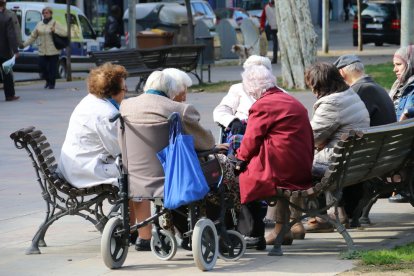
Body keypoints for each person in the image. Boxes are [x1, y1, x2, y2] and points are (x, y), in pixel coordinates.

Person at [120, 68, 237, 251]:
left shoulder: (126, 106)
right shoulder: (179, 109)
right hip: (176, 178)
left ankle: (157, 231)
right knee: (220, 165)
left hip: (136, 177)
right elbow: (205, 142)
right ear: (171, 91)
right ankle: (221, 226)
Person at [234, 64, 314, 248]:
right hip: (301, 166)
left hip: (284, 171)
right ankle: (281, 230)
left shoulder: (263, 105)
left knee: (238, 178)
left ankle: (251, 234)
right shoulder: (289, 99)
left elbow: (250, 141)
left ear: (252, 88)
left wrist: (239, 160)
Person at [304, 62, 370, 232]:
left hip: (337, 163)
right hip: (355, 160)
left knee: (288, 165)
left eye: (313, 85)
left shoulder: (331, 103)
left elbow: (309, 138)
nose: (312, 90)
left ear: (321, 84)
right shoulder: (349, 94)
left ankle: (300, 221)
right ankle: (334, 215)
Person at [333, 54, 396, 224]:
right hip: (388, 155)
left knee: (330, 160)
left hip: (371, 159)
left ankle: (331, 213)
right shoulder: (376, 87)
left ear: (342, 73)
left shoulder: (359, 91)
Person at [387, 45, 414, 203]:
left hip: (401, 141)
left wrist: (404, 115)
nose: (394, 70)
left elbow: (409, 110)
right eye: (394, 65)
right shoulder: (400, 84)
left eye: (399, 65)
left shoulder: (411, 85)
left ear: (410, 64)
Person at [22, 7, 67, 89]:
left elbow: (65, 33)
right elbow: (32, 37)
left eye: (47, 13)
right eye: (44, 13)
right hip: (42, 51)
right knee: (42, 67)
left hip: (53, 51)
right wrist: (24, 45)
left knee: (52, 69)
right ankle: (47, 80)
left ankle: (52, 84)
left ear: (51, 14)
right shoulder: (39, 24)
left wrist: (55, 30)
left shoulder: (55, 23)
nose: (45, 14)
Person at [0, 0, 20, 101]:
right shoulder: (7, 18)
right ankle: (9, 95)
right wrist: (15, 51)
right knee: (7, 73)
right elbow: (11, 36)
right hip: (4, 50)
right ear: (4, 6)